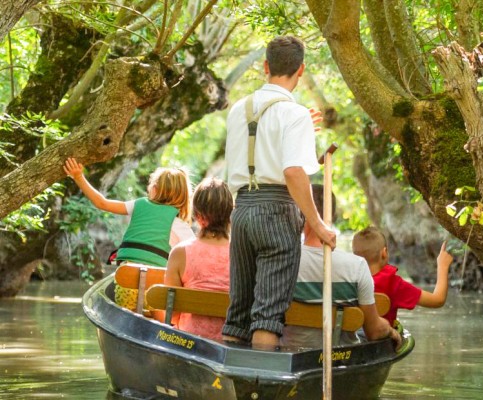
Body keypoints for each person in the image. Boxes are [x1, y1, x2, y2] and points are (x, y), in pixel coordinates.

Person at [222, 35, 336, 348]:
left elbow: (260, 149)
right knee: (267, 317)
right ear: (301, 70)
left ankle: (233, 389)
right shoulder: (294, 113)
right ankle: (262, 388)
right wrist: (317, 224)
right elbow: (292, 172)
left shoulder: (237, 111)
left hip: (243, 210)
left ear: (266, 66)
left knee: (239, 315)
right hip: (276, 212)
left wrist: (302, 133)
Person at [280, 184, 402, 349]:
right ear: (333, 215)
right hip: (341, 356)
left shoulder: (280, 261)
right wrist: (389, 329)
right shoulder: (357, 266)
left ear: (298, 213)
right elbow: (374, 331)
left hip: (290, 356)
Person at [63, 157, 194, 309]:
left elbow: (101, 203)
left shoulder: (138, 205)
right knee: (163, 302)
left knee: (126, 302)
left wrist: (78, 177)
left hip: (126, 289)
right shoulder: (179, 225)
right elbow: (196, 254)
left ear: (155, 189)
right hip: (155, 295)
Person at [165, 178, 233, 340]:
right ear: (231, 213)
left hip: (189, 340)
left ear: (196, 214)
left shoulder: (180, 253)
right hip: (230, 341)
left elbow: (172, 313)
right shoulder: (241, 253)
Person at [352, 227, 453, 326]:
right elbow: (438, 300)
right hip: (380, 338)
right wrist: (442, 266)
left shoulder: (347, 280)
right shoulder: (393, 284)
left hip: (353, 338)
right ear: (384, 253)